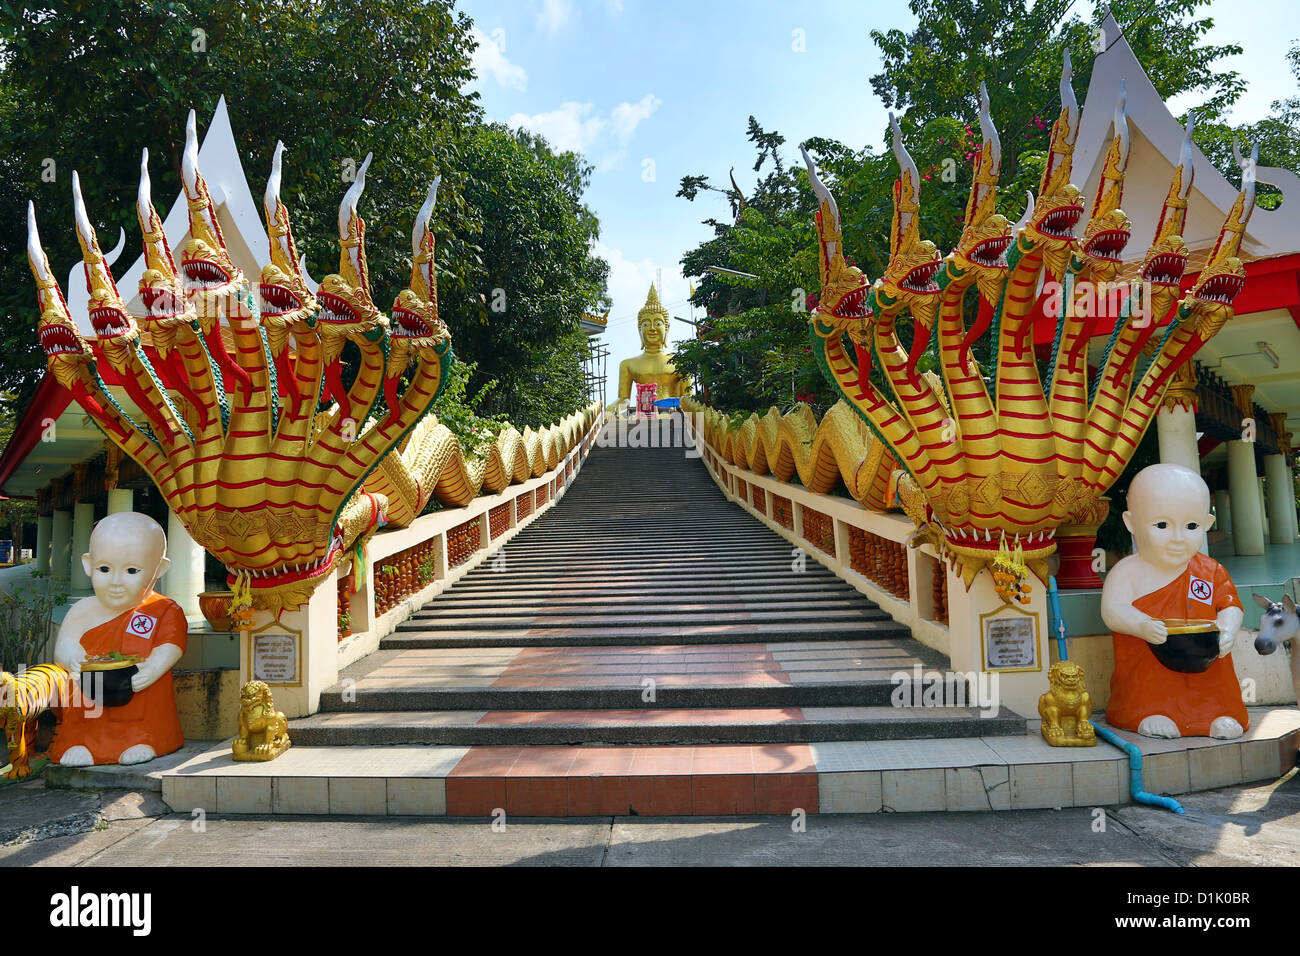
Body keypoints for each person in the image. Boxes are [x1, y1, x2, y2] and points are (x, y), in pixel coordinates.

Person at [1100, 463, 1248, 739]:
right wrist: (1141, 625)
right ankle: (1147, 712)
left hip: (1205, 659)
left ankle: (1218, 713)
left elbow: (1230, 605)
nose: (1178, 538)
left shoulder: (1210, 570)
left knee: (1216, 676)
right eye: (1162, 525)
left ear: (1207, 524)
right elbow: (1113, 609)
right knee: (1148, 679)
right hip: (1149, 657)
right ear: (1131, 523)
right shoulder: (1128, 571)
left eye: (1191, 526)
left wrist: (1227, 630)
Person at [50, 512, 187, 765]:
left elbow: (171, 645)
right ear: (87, 564)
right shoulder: (82, 610)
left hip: (139, 686)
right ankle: (80, 742)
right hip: (90, 688)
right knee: (80, 696)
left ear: (160, 569)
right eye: (104, 569)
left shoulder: (164, 609)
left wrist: (154, 667)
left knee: (147, 697)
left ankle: (145, 739)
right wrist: (72, 659)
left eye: (132, 571)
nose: (115, 582)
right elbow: (65, 646)